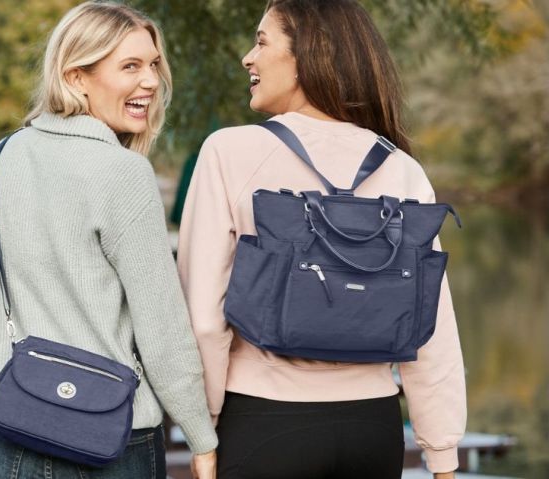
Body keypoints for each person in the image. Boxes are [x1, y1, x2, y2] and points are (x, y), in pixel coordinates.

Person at [177, 1, 466, 478]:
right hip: (372, 429)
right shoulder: (402, 168)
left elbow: (205, 321)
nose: (248, 58)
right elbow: (432, 329)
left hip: (264, 422)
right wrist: (442, 455)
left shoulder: (229, 150)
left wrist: (202, 435)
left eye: (262, 41)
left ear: (308, 53)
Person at [0, 2, 218, 478]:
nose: (152, 82)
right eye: (130, 66)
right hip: (113, 440)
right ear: (76, 78)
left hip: (8, 434)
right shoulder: (124, 173)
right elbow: (162, 328)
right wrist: (201, 437)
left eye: (154, 65)